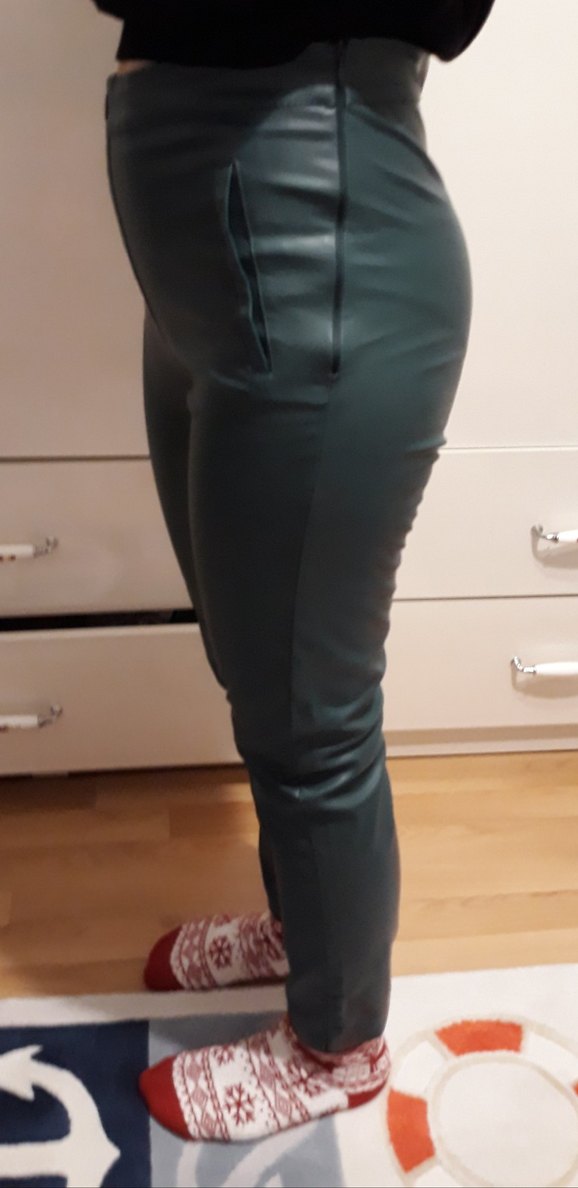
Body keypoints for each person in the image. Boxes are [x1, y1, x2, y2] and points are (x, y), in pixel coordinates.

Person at [96, 0, 496, 1144]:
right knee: (252, 660)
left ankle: (337, 1042)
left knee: (306, 702)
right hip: (203, 271)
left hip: (316, 245)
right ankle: (302, 927)